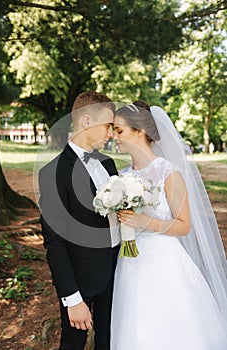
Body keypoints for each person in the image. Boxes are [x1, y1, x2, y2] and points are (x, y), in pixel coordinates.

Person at [111, 102, 227, 350]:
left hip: (163, 263)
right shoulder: (119, 177)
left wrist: (144, 221)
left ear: (140, 130)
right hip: (128, 263)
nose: (113, 136)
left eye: (119, 131)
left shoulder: (168, 172)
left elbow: (184, 225)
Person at [38, 91, 120, 350]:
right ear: (87, 121)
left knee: (109, 340)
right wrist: (72, 299)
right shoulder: (52, 172)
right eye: (107, 125)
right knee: (73, 343)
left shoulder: (108, 164)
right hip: (80, 279)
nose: (110, 134)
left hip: (116, 272)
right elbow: (55, 242)